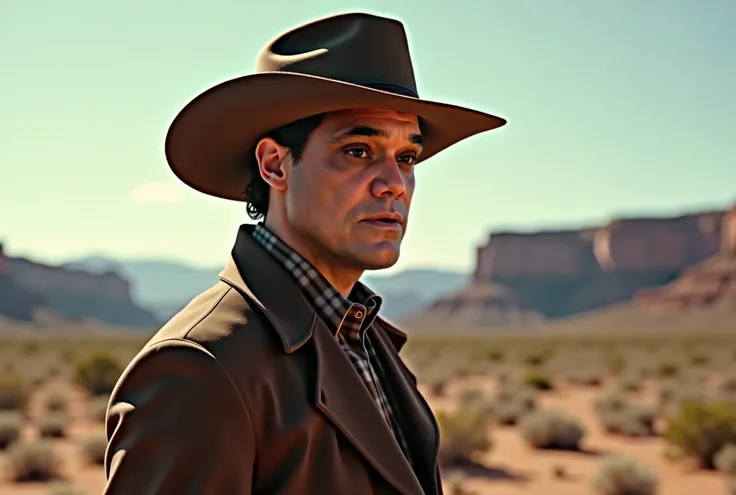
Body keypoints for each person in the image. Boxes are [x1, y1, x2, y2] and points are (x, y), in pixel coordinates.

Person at [103, 12, 506, 495]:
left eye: (407, 158)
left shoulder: (364, 337)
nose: (394, 185)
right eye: (358, 151)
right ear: (275, 165)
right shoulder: (200, 369)